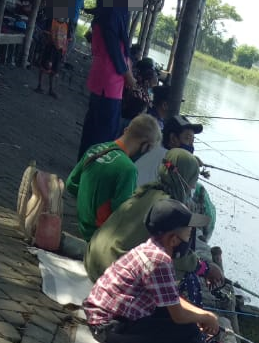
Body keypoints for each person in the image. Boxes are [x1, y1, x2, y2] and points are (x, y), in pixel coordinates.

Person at [83, 198, 220, 343]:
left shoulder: (150, 247)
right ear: (173, 240)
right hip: (107, 327)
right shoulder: (160, 261)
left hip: (100, 316)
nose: (189, 240)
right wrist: (206, 318)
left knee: (177, 318)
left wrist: (201, 314)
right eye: (188, 234)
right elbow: (178, 315)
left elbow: (171, 298)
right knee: (188, 332)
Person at [66, 114, 161, 241]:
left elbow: (70, 184)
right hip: (99, 236)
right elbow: (122, 215)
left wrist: (90, 196)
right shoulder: (128, 169)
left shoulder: (95, 149)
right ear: (145, 146)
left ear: (126, 130)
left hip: (82, 225)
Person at [76, 0, 136, 161]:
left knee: (95, 127)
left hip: (107, 78)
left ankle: (83, 169)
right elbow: (113, 47)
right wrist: (126, 73)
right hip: (109, 80)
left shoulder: (113, 7)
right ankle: (90, 172)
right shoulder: (113, 10)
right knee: (102, 133)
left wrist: (128, 71)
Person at [135, 115, 202, 187]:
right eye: (187, 138)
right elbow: (175, 170)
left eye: (193, 140)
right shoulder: (168, 160)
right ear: (173, 138)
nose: (191, 145)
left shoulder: (155, 150)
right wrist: (193, 164)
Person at [120, 58, 158, 132]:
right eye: (155, 76)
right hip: (127, 123)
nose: (156, 80)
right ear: (147, 82)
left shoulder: (138, 86)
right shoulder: (140, 93)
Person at [34, 16, 69, 98]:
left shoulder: (66, 25)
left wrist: (64, 52)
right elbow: (44, 34)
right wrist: (46, 43)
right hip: (49, 48)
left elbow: (66, 40)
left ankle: (51, 89)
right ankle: (40, 86)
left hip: (59, 51)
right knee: (44, 67)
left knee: (55, 70)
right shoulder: (50, 21)